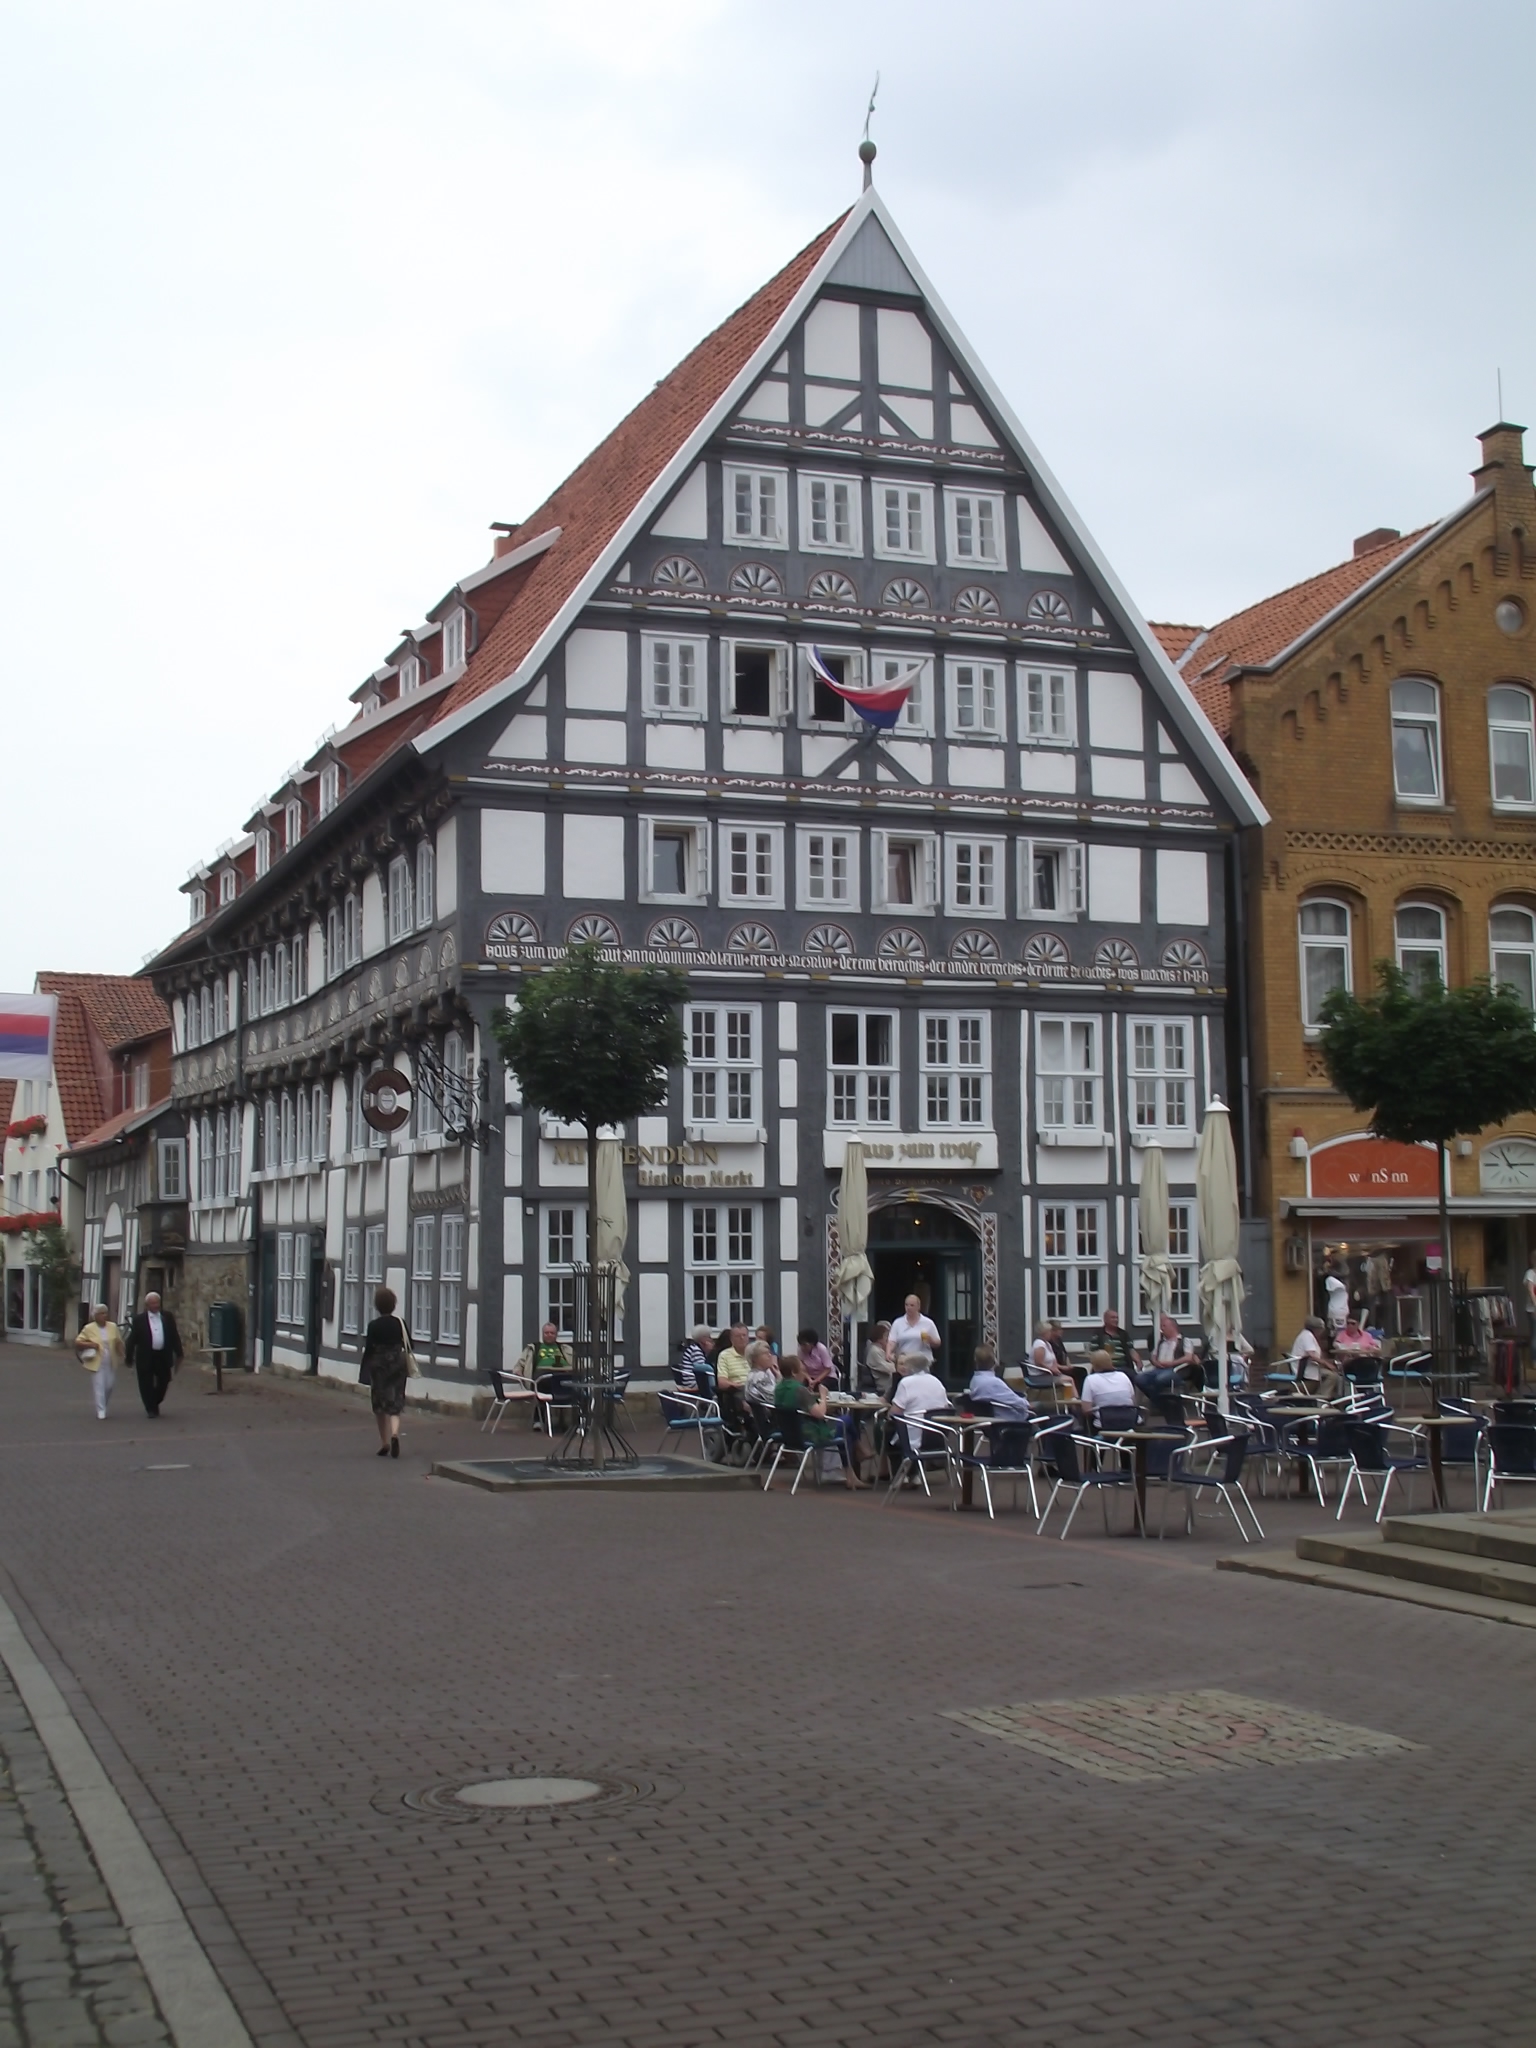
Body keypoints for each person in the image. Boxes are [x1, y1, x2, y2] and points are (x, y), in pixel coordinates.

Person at [774, 1353, 864, 1489]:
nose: (805, 1373)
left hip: (789, 1434)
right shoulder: (799, 1390)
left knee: (843, 1431)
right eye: (802, 1370)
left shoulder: (778, 1388)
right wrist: (823, 1395)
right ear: (794, 1372)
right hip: (809, 1433)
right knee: (846, 1422)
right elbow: (820, 1414)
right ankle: (858, 1458)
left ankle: (852, 1473)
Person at [360, 1286, 412, 1457]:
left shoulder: (373, 1325)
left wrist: (365, 1369)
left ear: (377, 1305)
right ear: (393, 1304)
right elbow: (410, 1344)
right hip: (397, 1363)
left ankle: (384, 1442)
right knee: (395, 1402)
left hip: (379, 1365)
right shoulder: (400, 1323)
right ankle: (395, 1433)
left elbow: (369, 1348)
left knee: (380, 1405)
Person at [124, 1291, 184, 1418]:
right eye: (153, 1303)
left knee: (164, 1380)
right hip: (146, 1356)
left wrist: (179, 1352)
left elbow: (174, 1335)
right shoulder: (139, 1320)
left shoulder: (167, 1316)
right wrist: (129, 1357)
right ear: (147, 1305)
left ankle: (155, 1400)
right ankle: (150, 1408)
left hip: (162, 1355)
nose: (156, 1305)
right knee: (146, 1383)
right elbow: (132, 1339)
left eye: (157, 1303)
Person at [889, 1355, 952, 1464]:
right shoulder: (937, 1381)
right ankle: (916, 1473)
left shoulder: (906, 1383)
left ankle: (901, 1473)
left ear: (910, 1367)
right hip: (939, 1436)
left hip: (914, 1436)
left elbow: (894, 1413)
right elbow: (946, 1407)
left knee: (885, 1432)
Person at [75, 1302, 124, 1421]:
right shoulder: (89, 1328)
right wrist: (91, 1344)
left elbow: (118, 1341)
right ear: (95, 1316)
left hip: (110, 1360)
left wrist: (123, 1354)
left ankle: (104, 1404)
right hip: (97, 1361)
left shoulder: (112, 1326)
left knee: (109, 1386)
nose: (104, 1316)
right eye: (101, 1313)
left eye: (105, 1313)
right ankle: (101, 1410)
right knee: (99, 1386)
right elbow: (78, 1341)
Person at [1073, 1348, 1140, 1426]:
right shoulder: (1123, 1376)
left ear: (1094, 1365)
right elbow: (1134, 1402)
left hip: (1106, 1422)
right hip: (1131, 1420)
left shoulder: (1090, 1379)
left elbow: (1086, 1409)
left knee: (1082, 1414)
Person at [967, 1345, 1032, 1419]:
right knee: (1043, 1409)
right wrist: (1027, 1403)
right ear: (994, 1361)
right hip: (1012, 1422)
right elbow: (1019, 1403)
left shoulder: (974, 1381)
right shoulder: (994, 1383)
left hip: (990, 1422)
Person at [1290, 1316, 1343, 1402]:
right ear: (1317, 1329)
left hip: (1309, 1367)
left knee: (1334, 1374)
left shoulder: (1306, 1335)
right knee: (1332, 1376)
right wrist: (1327, 1364)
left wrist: (1328, 1362)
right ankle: (1321, 1399)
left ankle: (1323, 1396)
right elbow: (1312, 1355)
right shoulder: (1308, 1336)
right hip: (1304, 1369)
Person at [887, 1293, 941, 1370]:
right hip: (904, 1361)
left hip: (923, 1362)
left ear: (918, 1307)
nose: (909, 1308)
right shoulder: (898, 1322)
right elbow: (892, 1341)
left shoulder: (928, 1322)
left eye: (912, 1305)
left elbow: (937, 1343)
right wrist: (888, 1352)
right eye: (906, 1305)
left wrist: (930, 1340)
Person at [1091, 1308, 1137, 1376]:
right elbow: (1093, 1353)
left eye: (1117, 1318)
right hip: (1103, 1368)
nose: (1116, 1320)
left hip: (1123, 1367)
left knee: (1135, 1378)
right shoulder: (1098, 1335)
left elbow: (1131, 1350)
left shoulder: (1123, 1334)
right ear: (1105, 1320)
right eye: (1113, 1318)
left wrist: (1138, 1361)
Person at [862, 1321, 894, 1398]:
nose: (889, 1339)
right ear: (879, 1338)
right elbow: (891, 1369)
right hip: (884, 1388)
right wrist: (893, 1361)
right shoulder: (874, 1351)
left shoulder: (883, 1350)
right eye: (886, 1336)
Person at [744, 1342, 779, 1408]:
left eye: (769, 1353)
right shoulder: (758, 1377)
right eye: (765, 1353)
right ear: (755, 1359)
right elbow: (775, 1398)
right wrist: (780, 1379)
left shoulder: (767, 1372)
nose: (770, 1355)